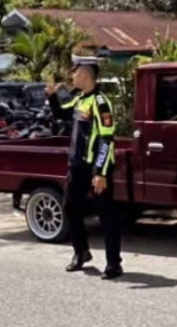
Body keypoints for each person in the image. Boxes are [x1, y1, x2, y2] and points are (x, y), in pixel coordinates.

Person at [46, 55, 122, 280]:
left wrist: (100, 172)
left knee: (106, 215)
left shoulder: (100, 103)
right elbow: (61, 114)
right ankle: (81, 253)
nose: (72, 75)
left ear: (86, 73)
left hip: (95, 168)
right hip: (76, 166)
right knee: (70, 208)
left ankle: (113, 264)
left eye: (75, 71)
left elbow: (107, 140)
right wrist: (51, 97)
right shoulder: (79, 100)